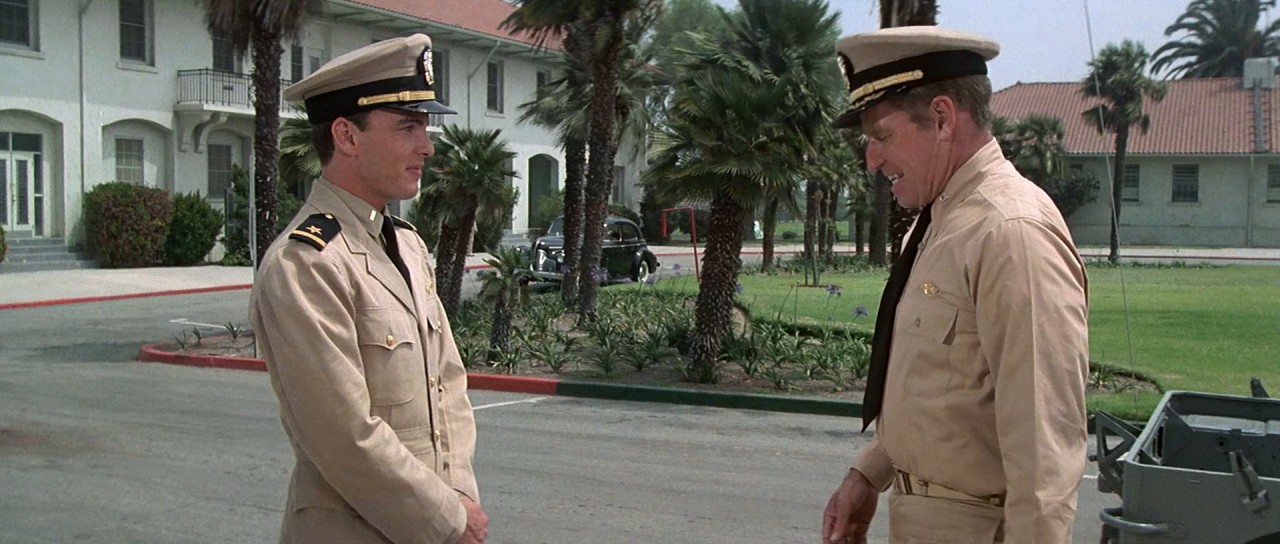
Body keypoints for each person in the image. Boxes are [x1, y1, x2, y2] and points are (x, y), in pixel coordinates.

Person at [820, 26, 1090, 543]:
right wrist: (869, 474)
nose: (871, 160)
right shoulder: (943, 222)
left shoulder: (1010, 232)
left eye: (882, 136)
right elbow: (943, 393)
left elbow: (1045, 456)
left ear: (942, 118)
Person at [250, 34, 488, 544]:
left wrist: (460, 496)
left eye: (424, 127)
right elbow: (343, 435)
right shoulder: (306, 264)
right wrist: (447, 521)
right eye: (407, 126)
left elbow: (449, 385)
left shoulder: (406, 245)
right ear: (347, 136)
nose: (427, 146)